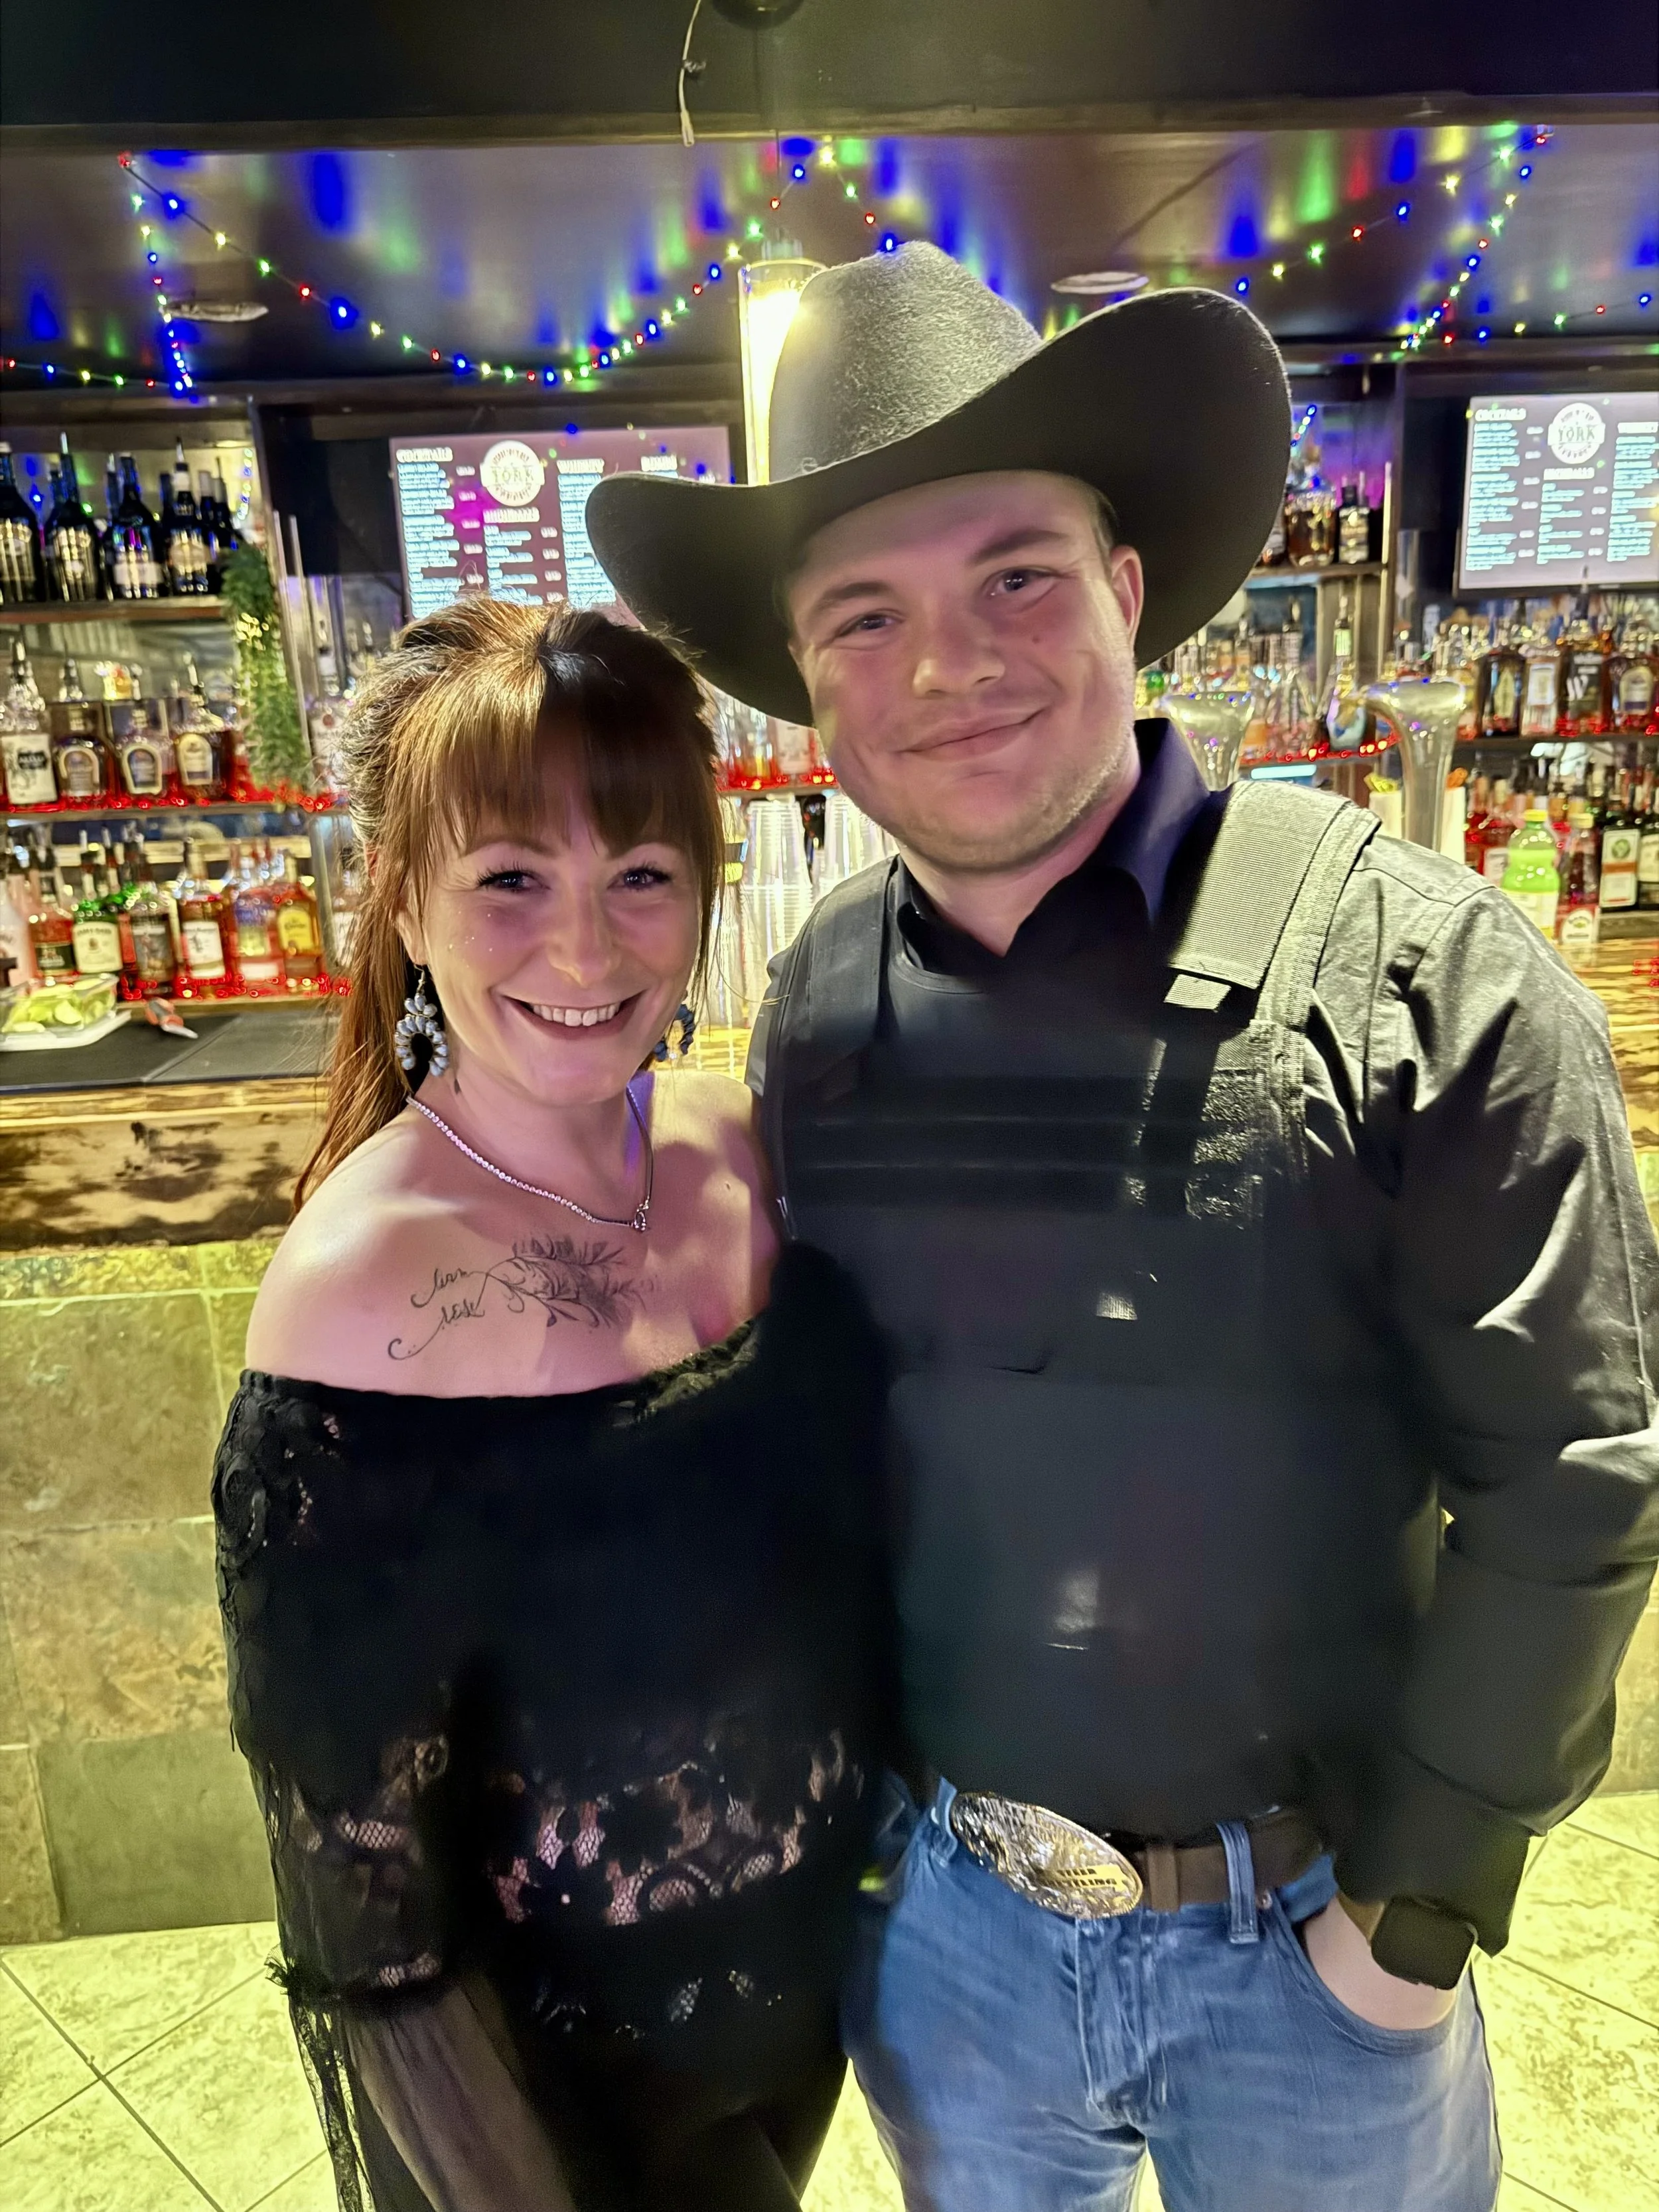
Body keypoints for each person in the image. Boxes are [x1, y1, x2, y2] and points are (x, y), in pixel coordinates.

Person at [589, 244, 1659, 2212]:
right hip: (955, 1944)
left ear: (1127, 591)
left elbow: (1572, 1482)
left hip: (1312, 1953)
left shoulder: (1432, 981)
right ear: (804, 682)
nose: (946, 665)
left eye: (1013, 575)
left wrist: (1405, 1933)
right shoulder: (813, 1007)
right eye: (863, 616)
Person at [212, 597, 891, 2212]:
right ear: (403, 902)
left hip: (806, 2003)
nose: (584, 954)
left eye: (638, 877)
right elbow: (359, 1893)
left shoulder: (741, 1155)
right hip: (547, 2090)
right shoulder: (359, 1291)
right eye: (510, 879)